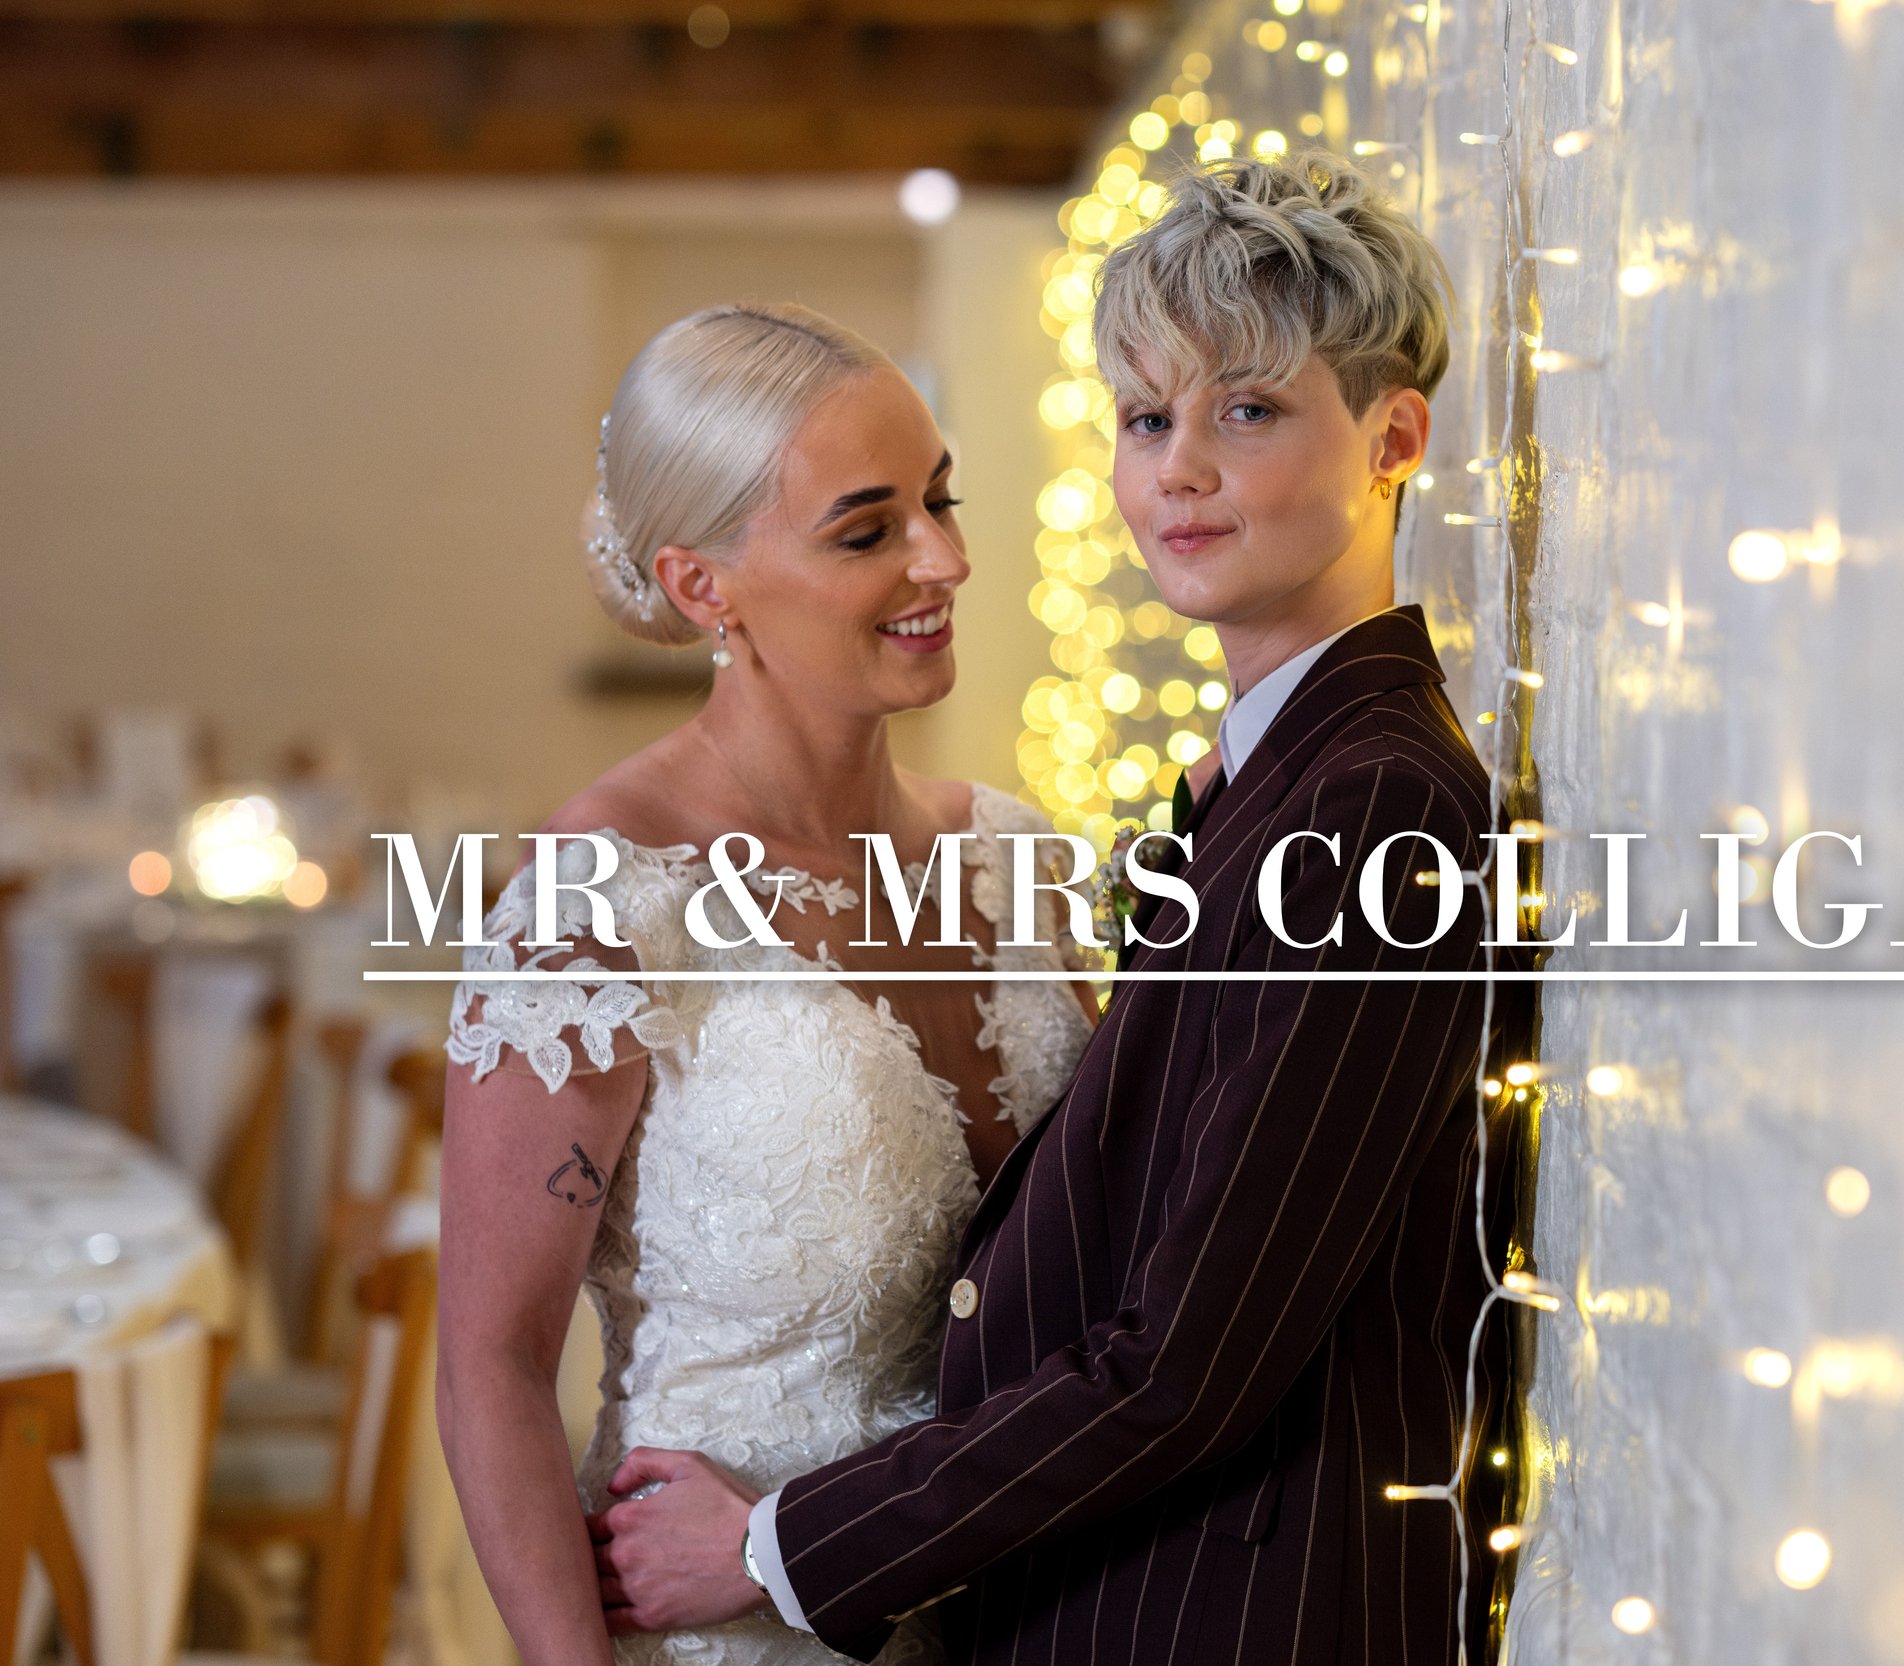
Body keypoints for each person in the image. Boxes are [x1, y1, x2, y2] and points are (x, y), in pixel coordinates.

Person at [596, 154, 1528, 1666]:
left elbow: (1193, 1360)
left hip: (1226, 1622)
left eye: (1250, 410)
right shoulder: (1267, 774)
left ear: (1392, 439)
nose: (1181, 470)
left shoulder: (1377, 806)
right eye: (1149, 418)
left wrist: (776, 1544)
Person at [434, 302, 1099, 1666]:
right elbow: (491, 1365)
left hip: (1039, 1618)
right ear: (702, 585)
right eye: (867, 531)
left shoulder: (1020, 861)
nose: (946, 558)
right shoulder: (600, 902)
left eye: (938, 499)